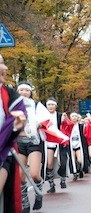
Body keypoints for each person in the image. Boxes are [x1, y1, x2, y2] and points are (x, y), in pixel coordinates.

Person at [0, 55, 27, 213]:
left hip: (3, 152)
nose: (5, 69)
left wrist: (17, 124)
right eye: (1, 64)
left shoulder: (10, 95)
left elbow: (20, 118)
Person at [16, 81, 44, 212]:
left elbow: (46, 120)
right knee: (20, 176)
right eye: (21, 90)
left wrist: (38, 123)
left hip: (33, 142)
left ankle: (39, 192)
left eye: (26, 90)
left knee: (33, 174)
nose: (23, 93)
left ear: (30, 92)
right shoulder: (13, 105)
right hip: (18, 142)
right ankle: (25, 202)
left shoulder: (37, 105)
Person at [44, 97, 69, 193]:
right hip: (49, 142)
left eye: (52, 105)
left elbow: (67, 126)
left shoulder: (59, 115)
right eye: (49, 105)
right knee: (49, 164)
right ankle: (51, 184)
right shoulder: (43, 116)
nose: (51, 106)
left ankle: (63, 179)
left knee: (62, 161)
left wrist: (64, 121)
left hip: (59, 142)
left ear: (56, 106)